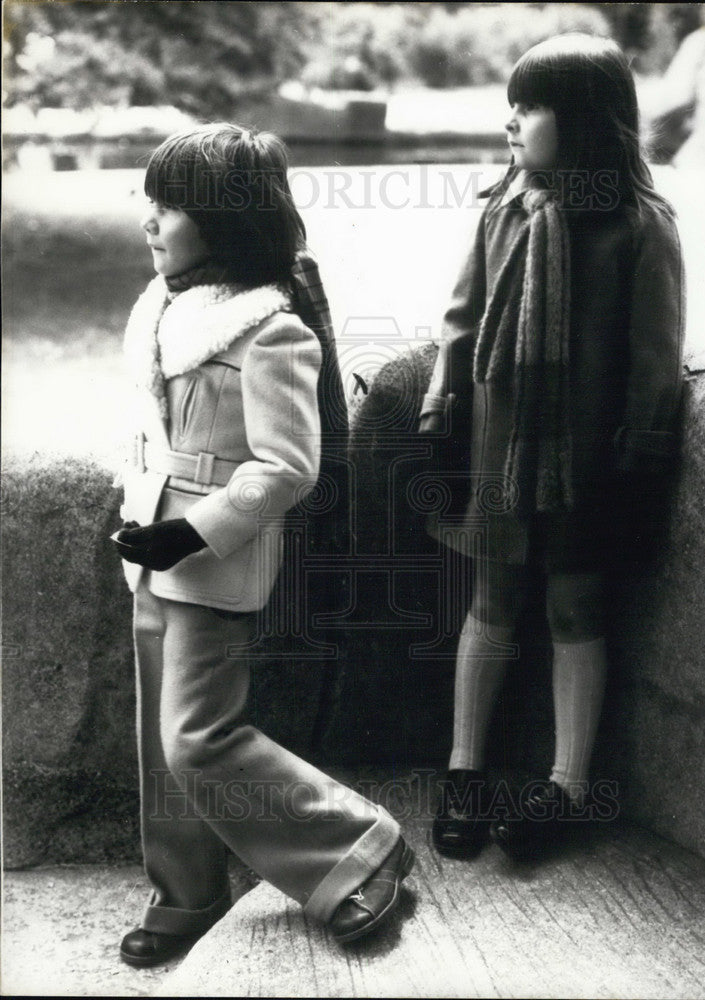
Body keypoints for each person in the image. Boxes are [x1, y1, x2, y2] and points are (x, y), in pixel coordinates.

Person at [111, 123, 414, 967]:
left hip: (213, 559)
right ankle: (187, 892)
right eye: (153, 206)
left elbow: (288, 468)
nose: (151, 223)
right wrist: (149, 520)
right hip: (152, 552)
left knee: (200, 738)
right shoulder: (166, 311)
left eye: (169, 209)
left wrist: (191, 530)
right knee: (156, 745)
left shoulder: (268, 329)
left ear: (224, 221)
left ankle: (360, 847)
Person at [419, 34, 685, 862]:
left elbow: (655, 354)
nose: (512, 120)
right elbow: (460, 322)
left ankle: (566, 788)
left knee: (577, 606)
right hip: (501, 449)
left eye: (531, 106)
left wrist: (640, 453)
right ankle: (465, 769)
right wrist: (443, 412)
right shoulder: (501, 209)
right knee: (492, 601)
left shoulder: (640, 227)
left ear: (587, 121)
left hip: (587, 466)